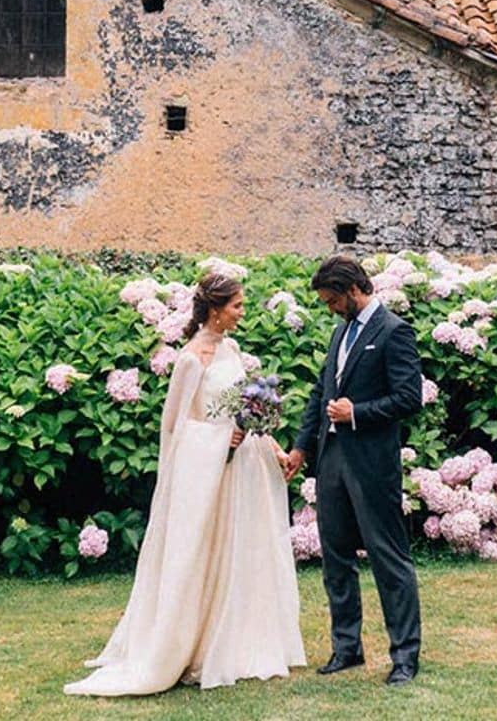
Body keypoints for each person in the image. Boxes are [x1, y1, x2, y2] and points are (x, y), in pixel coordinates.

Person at [65, 272, 306, 696]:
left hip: (242, 469)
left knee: (243, 552)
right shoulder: (191, 359)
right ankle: (189, 646)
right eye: (237, 306)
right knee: (203, 554)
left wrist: (274, 447)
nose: (242, 312)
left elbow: (245, 409)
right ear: (215, 310)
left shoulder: (231, 348)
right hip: (209, 472)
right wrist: (220, 439)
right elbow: (176, 427)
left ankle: (236, 640)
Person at [282, 254, 424, 686]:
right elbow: (320, 395)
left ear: (352, 290)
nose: (329, 309)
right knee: (335, 558)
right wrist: (302, 448)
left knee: (388, 558)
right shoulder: (340, 333)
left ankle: (404, 657)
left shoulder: (395, 332)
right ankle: (347, 649)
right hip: (331, 463)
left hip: (372, 466)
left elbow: (409, 398)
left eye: (331, 301)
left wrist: (356, 412)